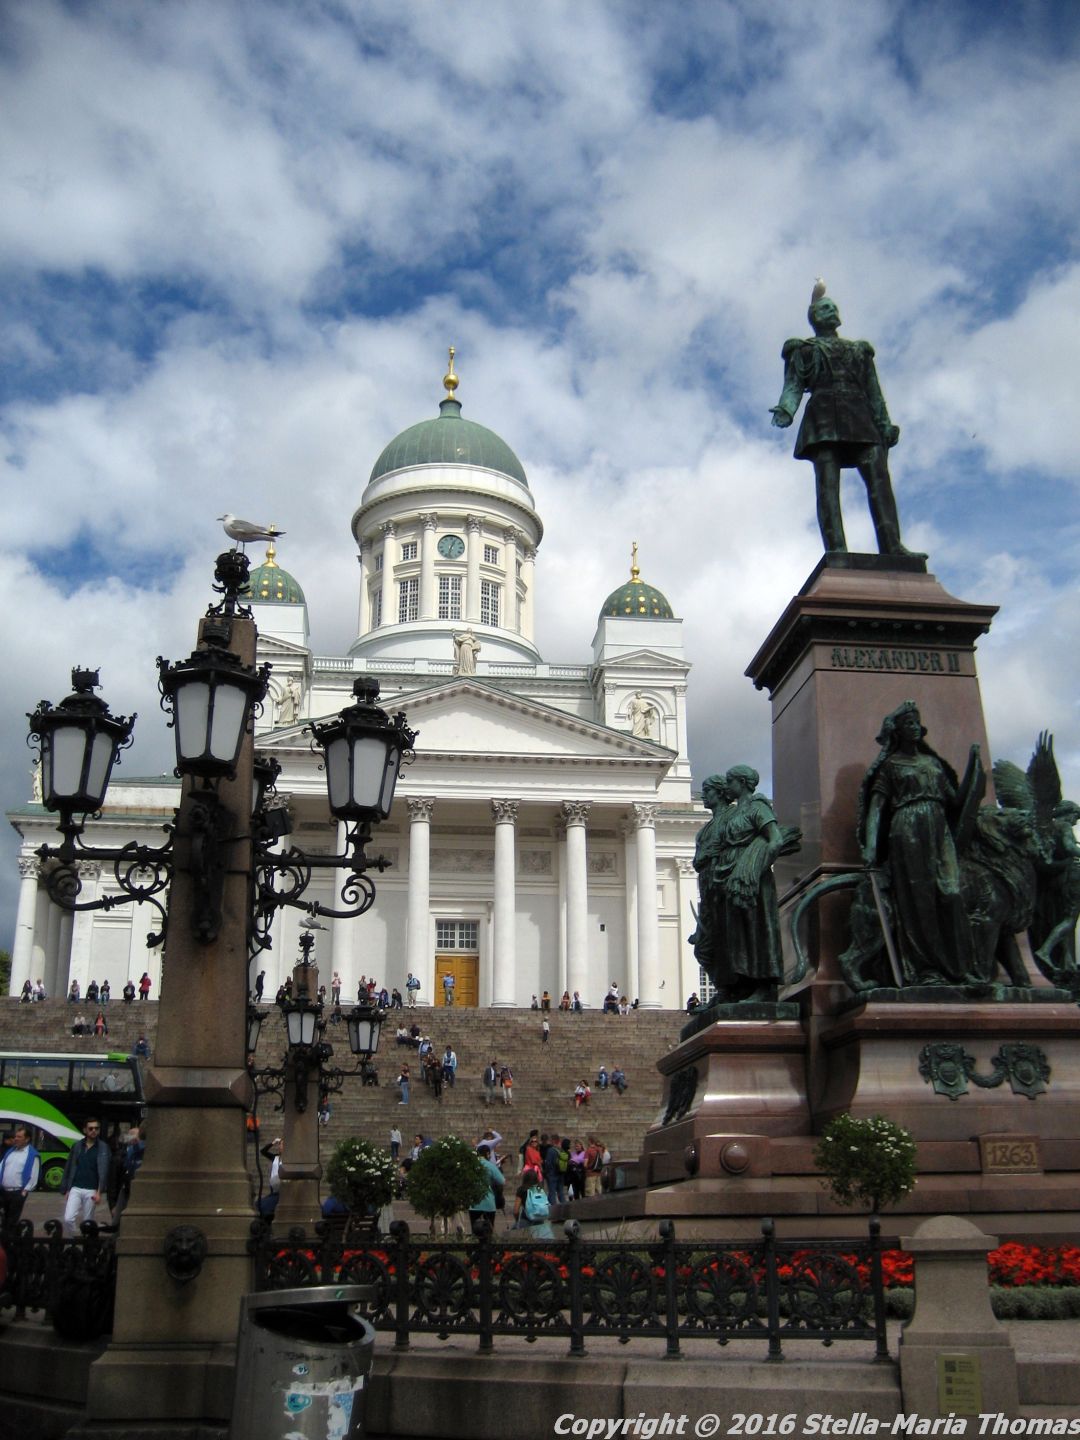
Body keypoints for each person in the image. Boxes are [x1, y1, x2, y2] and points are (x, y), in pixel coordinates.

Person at [771, 286, 918, 558]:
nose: (832, 311)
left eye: (833, 307)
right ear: (815, 318)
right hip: (823, 416)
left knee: (880, 481)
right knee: (828, 487)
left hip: (861, 416)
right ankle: (836, 549)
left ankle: (893, 546)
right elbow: (793, 386)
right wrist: (786, 410)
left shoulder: (859, 351)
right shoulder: (804, 350)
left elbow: (874, 391)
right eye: (825, 308)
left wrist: (884, 423)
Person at [857, 700, 974, 984]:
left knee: (952, 892)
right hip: (907, 829)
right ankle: (926, 969)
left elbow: (955, 800)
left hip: (939, 829)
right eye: (908, 723)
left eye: (916, 722)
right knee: (918, 900)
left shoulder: (933, 763)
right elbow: (876, 808)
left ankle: (961, 966)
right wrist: (870, 847)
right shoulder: (891, 766)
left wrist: (973, 768)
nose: (914, 727)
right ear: (897, 731)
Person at [690, 767, 790, 1004]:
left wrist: (752, 868)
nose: (727, 786)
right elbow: (713, 850)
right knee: (736, 937)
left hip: (750, 880)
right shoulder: (735, 815)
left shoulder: (757, 807)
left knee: (754, 931)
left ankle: (763, 986)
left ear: (742, 782)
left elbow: (774, 840)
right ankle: (737, 987)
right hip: (729, 880)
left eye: (730, 781)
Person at [60, 1117, 110, 1236]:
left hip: (92, 1189)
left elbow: (104, 1171)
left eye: (96, 1128)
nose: (94, 1131)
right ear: (85, 1130)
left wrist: (99, 1192)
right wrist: (67, 1188)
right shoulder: (77, 1146)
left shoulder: (103, 1147)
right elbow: (69, 1166)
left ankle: (85, 1241)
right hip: (76, 1187)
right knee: (68, 1218)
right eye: (91, 1128)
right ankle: (74, 1238)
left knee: (88, 1221)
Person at [0, 1125, 41, 1235]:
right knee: (4, 1220)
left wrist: (24, 1191)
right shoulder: (10, 1152)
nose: (16, 1139)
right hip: (3, 1191)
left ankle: (8, 1242)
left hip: (17, 1193)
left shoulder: (32, 1155)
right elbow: (1, 1167)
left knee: (11, 1221)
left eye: (19, 1137)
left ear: (27, 1139)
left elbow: (34, 1175)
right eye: (15, 1136)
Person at [469, 1143, 504, 1235]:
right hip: (489, 1203)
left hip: (474, 1204)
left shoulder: (471, 1165)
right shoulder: (490, 1166)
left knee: (475, 1231)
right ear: (487, 1154)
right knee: (488, 1230)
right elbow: (502, 1181)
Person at [514, 1166, 553, 1237]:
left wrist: (517, 1221)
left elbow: (516, 1211)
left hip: (526, 1219)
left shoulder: (521, 1190)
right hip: (540, 1219)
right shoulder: (539, 1189)